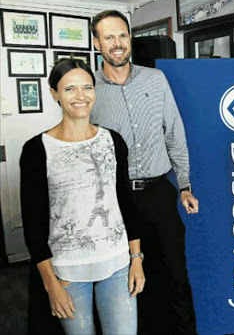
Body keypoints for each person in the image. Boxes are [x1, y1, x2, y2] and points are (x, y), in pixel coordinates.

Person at [89, 10, 199, 334]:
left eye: (123, 35)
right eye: (109, 37)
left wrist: (185, 185)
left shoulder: (155, 80)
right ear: (97, 43)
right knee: (127, 285)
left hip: (158, 193)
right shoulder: (89, 89)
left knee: (176, 278)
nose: (118, 43)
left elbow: (174, 133)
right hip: (114, 202)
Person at [20, 58, 145, 335]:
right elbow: (34, 223)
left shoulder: (113, 141)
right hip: (67, 274)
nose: (81, 96)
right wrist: (51, 284)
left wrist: (136, 259)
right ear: (54, 93)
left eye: (87, 87)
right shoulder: (37, 149)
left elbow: (126, 203)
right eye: (70, 89)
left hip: (117, 266)